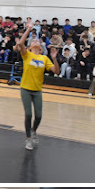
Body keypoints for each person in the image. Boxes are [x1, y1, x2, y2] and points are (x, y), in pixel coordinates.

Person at [16, 17, 60, 151]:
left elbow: (56, 71)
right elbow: (20, 43)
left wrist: (54, 58)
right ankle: (28, 138)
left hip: (37, 90)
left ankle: (34, 130)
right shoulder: (27, 55)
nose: (36, 41)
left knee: (39, 116)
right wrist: (28, 28)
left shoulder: (44, 58)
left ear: (41, 48)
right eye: (33, 40)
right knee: (28, 114)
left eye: (37, 41)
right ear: (30, 47)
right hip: (25, 89)